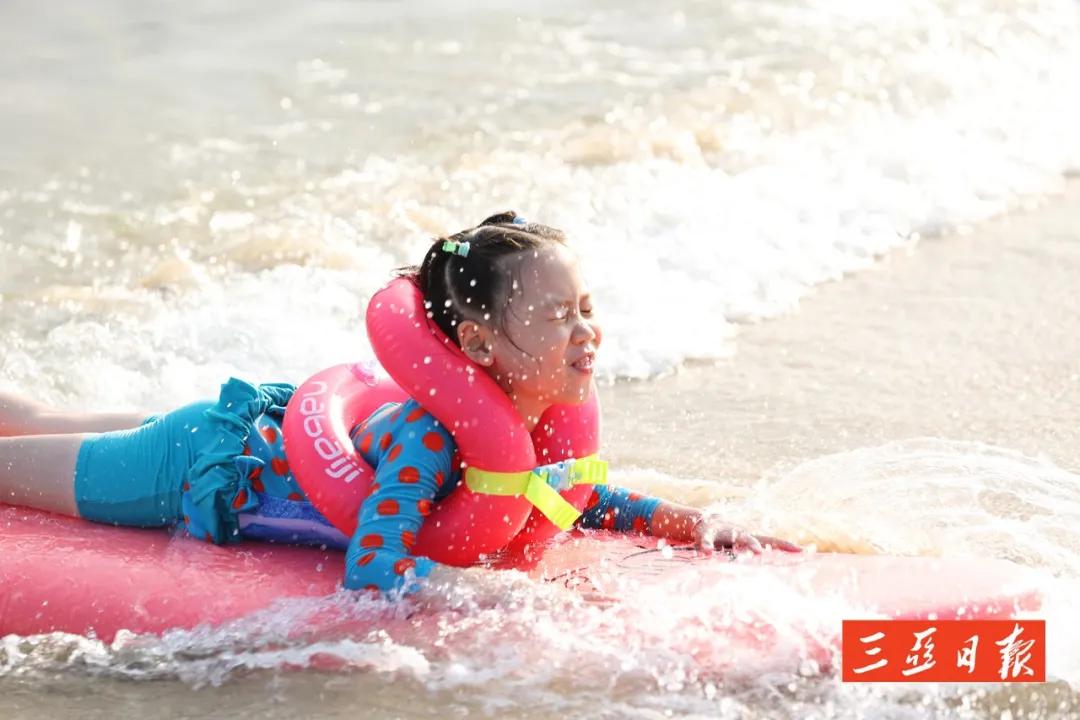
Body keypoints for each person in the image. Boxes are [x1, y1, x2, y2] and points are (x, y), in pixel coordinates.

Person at [0, 211, 799, 595]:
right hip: (193, 470)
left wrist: (692, 527)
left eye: (586, 307)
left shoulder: (519, 427)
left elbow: (573, 500)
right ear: (482, 347)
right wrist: (487, 597)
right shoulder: (431, 438)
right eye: (559, 317)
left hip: (236, 429)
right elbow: (372, 561)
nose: (586, 331)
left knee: (34, 415)